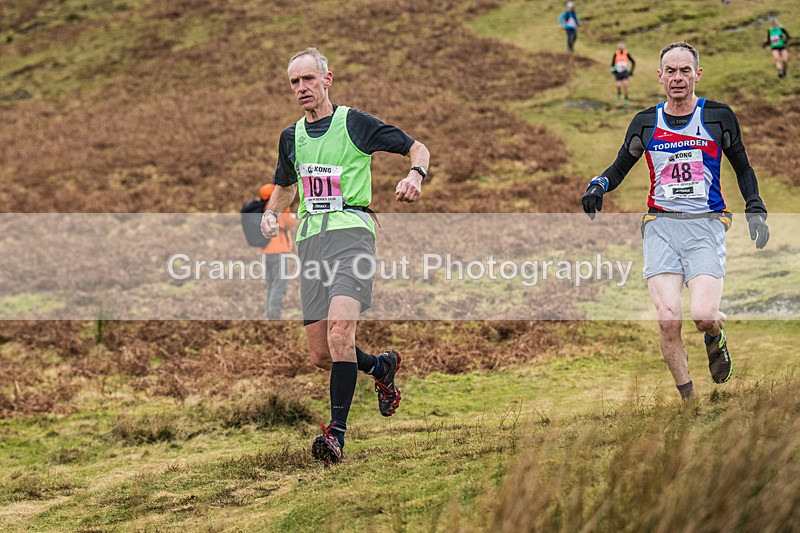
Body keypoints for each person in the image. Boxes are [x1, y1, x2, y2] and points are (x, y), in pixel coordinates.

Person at [261, 47, 430, 463]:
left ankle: (335, 434)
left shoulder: (353, 122)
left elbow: (418, 148)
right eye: (294, 83)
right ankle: (379, 368)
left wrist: (415, 175)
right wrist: (270, 212)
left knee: (341, 334)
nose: (301, 88)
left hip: (352, 235)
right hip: (311, 242)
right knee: (322, 354)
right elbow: (285, 185)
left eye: (308, 79)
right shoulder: (291, 137)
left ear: (327, 79)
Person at [581, 42, 770, 400]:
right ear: (660, 76)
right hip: (660, 227)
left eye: (685, 71)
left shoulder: (718, 117)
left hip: (705, 226)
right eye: (671, 71)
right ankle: (689, 403)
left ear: (698, 74)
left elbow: (743, 168)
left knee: (702, 315)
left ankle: (715, 334)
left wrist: (755, 206)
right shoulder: (645, 122)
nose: (678, 78)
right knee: (668, 319)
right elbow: (620, 166)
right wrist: (598, 185)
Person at [258, 183, 297, 320]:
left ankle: (270, 316)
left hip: (265, 251)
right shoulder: (279, 204)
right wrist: (292, 217)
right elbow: (289, 224)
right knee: (279, 286)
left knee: (271, 285)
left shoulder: (263, 205)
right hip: (279, 251)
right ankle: (274, 318)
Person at [611, 42, 636, 107]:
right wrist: (613, 71)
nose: (621, 48)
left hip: (625, 72)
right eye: (620, 47)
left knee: (625, 85)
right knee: (618, 85)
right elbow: (612, 63)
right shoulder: (616, 54)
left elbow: (633, 62)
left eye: (622, 47)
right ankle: (619, 93)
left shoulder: (626, 53)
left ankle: (626, 98)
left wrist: (631, 71)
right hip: (618, 72)